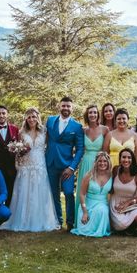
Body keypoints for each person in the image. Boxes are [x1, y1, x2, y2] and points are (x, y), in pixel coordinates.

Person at [0, 108, 59, 232]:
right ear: (25, 119)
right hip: (26, 166)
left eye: (34, 116)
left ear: (38, 117)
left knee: (40, 193)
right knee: (24, 193)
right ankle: (24, 220)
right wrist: (18, 151)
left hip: (40, 165)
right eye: (29, 117)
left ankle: (41, 220)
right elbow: (18, 151)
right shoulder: (21, 132)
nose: (31, 119)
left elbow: (48, 147)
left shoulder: (45, 131)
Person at [45, 97, 84, 230]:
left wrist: (72, 167)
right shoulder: (50, 121)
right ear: (59, 107)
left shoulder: (77, 127)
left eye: (68, 106)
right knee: (54, 194)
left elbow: (80, 149)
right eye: (63, 106)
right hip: (50, 163)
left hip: (67, 166)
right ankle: (58, 221)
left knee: (68, 193)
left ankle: (70, 222)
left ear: (72, 108)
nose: (66, 108)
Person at [74, 105, 107, 221]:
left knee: (96, 190)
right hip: (86, 162)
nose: (92, 115)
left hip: (99, 163)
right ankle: (81, 218)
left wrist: (102, 164)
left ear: (98, 114)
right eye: (90, 113)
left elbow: (105, 150)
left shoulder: (104, 129)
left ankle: (96, 219)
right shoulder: (83, 130)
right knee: (83, 191)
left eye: (94, 112)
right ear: (87, 115)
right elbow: (79, 148)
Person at [72, 151, 113, 237]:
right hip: (88, 204)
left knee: (102, 210)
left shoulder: (111, 175)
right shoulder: (89, 175)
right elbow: (82, 194)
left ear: (108, 163)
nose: (102, 163)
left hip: (102, 203)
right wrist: (85, 211)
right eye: (100, 161)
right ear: (96, 163)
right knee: (84, 228)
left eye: (105, 161)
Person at [109, 149, 137, 234]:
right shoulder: (115, 170)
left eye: (129, 157)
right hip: (116, 203)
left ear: (132, 159)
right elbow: (110, 188)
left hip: (132, 203)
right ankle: (122, 229)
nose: (126, 160)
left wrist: (129, 202)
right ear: (120, 159)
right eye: (124, 157)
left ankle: (130, 230)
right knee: (120, 225)